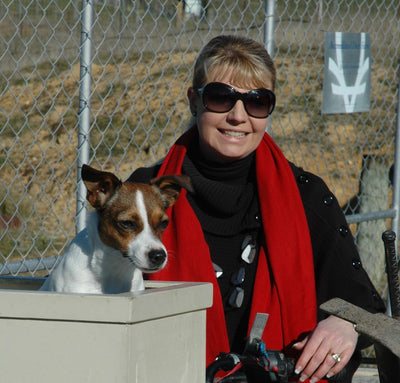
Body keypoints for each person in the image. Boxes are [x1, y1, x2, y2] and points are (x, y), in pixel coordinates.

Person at [127, 35, 385, 382]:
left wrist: (346, 325)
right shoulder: (146, 193)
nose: (238, 116)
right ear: (194, 101)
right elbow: (97, 292)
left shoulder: (305, 195)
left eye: (257, 102)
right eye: (220, 97)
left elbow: (363, 302)